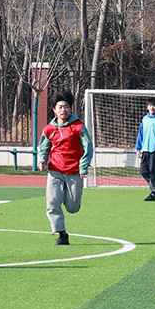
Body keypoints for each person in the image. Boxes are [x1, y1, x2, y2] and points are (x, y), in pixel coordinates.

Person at [38, 90, 94, 245]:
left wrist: (83, 167)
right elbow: (43, 147)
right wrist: (42, 160)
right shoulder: (49, 129)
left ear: (70, 108)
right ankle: (61, 234)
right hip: (55, 170)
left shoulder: (78, 127)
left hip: (74, 172)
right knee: (52, 203)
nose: (63, 110)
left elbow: (88, 148)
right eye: (60, 107)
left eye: (66, 107)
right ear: (54, 110)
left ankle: (65, 195)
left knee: (72, 207)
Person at [135, 97, 155, 201]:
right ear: (147, 107)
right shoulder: (144, 119)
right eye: (150, 105)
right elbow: (140, 134)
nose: (152, 107)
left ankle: (153, 193)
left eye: (154, 105)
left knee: (154, 172)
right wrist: (138, 148)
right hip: (145, 149)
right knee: (143, 171)